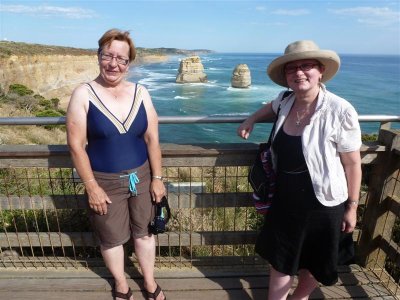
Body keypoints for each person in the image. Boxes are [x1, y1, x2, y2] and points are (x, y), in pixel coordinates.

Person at [237, 40, 362, 300]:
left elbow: (352, 163)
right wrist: (251, 119)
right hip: (285, 199)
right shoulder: (284, 100)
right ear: (285, 76)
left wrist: (352, 206)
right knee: (281, 257)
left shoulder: (340, 110)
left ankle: (299, 297)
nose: (299, 72)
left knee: (317, 259)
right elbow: (269, 109)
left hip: (324, 202)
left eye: (307, 66)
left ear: (321, 71)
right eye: (292, 68)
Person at [66, 29, 166, 300]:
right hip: (104, 181)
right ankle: (121, 284)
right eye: (108, 56)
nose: (114, 64)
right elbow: (76, 145)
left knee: (145, 233)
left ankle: (149, 282)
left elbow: (152, 138)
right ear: (98, 56)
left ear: (129, 63)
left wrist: (157, 177)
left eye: (121, 59)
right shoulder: (83, 94)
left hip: (143, 177)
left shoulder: (141, 92)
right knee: (111, 238)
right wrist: (91, 187)